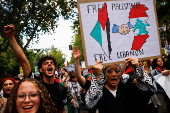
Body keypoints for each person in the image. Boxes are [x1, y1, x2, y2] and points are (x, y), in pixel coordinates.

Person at [73, 46, 157, 113]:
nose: (113, 74)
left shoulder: (127, 88)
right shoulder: (99, 90)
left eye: (117, 71)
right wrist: (76, 60)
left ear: (120, 74)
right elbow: (79, 77)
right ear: (104, 74)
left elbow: (151, 90)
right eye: (109, 71)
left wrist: (138, 69)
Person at [4, 24, 67, 113]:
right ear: (41, 70)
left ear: (54, 68)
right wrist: (10, 36)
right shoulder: (34, 82)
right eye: (46, 63)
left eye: (52, 63)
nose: (49, 64)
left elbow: (62, 110)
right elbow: (23, 59)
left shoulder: (61, 89)